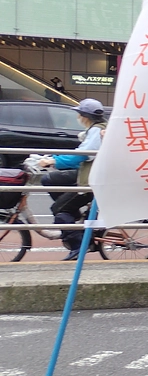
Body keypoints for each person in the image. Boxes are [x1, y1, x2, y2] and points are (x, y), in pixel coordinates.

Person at [38, 98, 106, 261]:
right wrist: (54, 159)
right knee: (50, 179)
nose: (78, 117)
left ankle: (78, 245)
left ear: (85, 116)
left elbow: (82, 155)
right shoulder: (97, 128)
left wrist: (54, 161)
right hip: (88, 174)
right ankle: (75, 215)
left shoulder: (97, 131)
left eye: (79, 114)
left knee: (59, 209)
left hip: (91, 180)